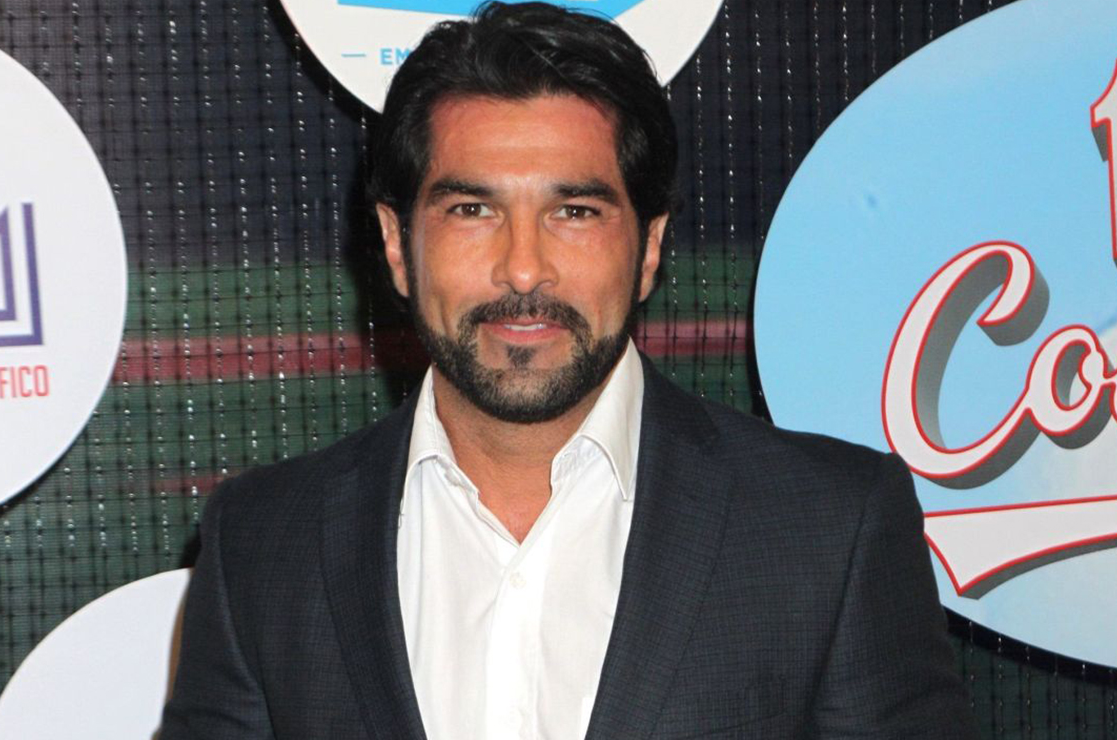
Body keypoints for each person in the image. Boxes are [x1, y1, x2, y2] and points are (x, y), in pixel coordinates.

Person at [159, 3, 978, 738]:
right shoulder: (262, 544)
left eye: (575, 212)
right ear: (397, 246)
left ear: (649, 247)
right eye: (472, 210)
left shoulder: (831, 526)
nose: (524, 267)